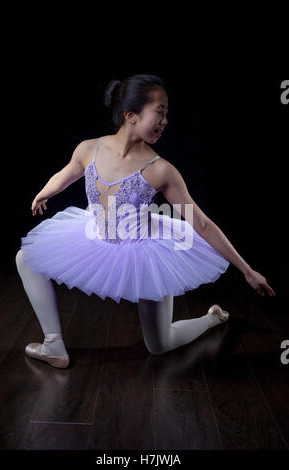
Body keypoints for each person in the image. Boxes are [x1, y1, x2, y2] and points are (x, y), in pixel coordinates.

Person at [15, 74, 276, 369]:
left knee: (159, 345)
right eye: (160, 112)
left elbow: (200, 224)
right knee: (26, 258)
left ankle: (211, 318)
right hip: (93, 235)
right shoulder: (89, 149)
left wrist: (247, 271)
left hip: (145, 251)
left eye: (167, 114)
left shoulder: (161, 170)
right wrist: (44, 193)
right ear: (131, 115)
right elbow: (66, 174)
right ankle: (53, 345)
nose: (165, 121)